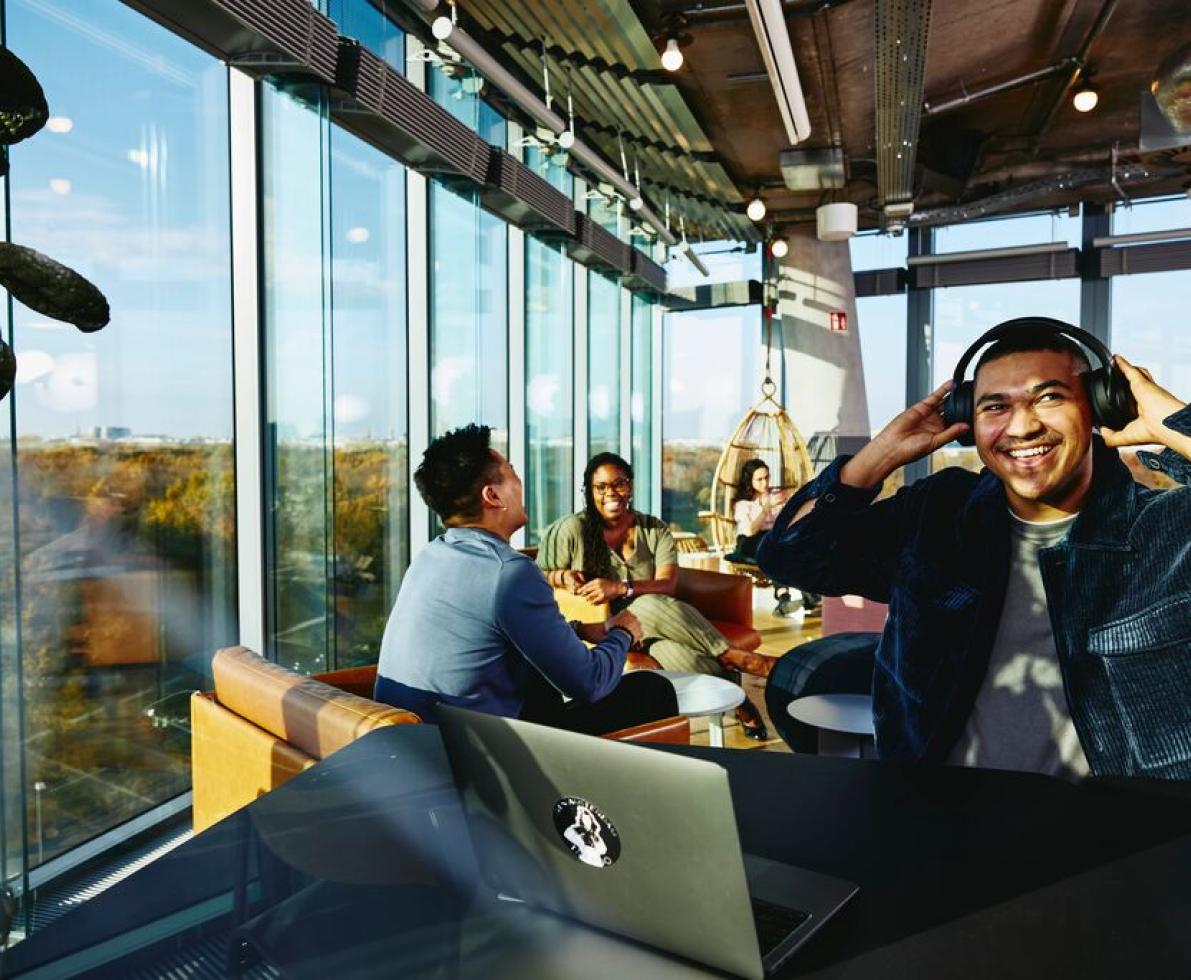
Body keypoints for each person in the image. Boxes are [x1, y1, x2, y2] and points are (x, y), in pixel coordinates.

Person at [758, 317, 1191, 780]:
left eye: (1049, 397)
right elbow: (789, 555)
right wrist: (880, 453)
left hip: (1118, 836)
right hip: (941, 821)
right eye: (995, 407)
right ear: (968, 420)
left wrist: (1173, 427)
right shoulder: (938, 514)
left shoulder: (1167, 531)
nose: (1021, 426)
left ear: (1101, 407)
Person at [373, 424, 677, 735]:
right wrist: (623, 632)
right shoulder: (509, 572)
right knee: (652, 692)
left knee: (536, 681)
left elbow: (491, 634)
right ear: (493, 496)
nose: (521, 481)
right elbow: (590, 683)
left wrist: (581, 630)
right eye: (512, 471)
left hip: (418, 745)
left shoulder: (428, 558)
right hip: (475, 756)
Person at [536, 452, 772, 741]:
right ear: (589, 491)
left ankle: (738, 695)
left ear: (631, 487)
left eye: (619, 484)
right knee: (661, 625)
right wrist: (561, 576)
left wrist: (620, 588)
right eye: (601, 487)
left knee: (679, 646)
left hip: (658, 625)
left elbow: (668, 585)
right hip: (608, 629)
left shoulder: (653, 529)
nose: (611, 492)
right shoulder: (572, 529)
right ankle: (739, 668)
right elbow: (537, 574)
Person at [732, 458, 789, 560]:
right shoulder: (743, 504)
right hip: (750, 540)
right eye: (760, 479)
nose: (765, 483)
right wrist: (766, 508)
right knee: (774, 544)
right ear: (750, 481)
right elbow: (750, 531)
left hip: (774, 536)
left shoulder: (775, 497)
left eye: (767, 478)